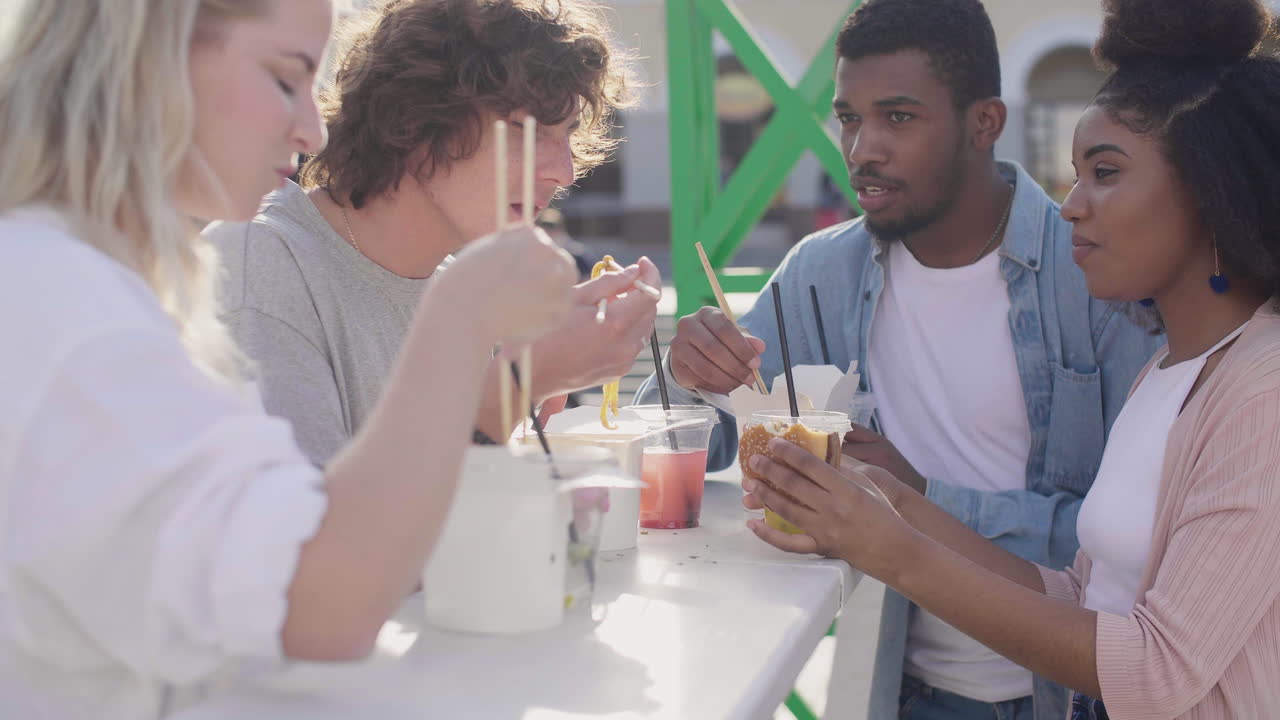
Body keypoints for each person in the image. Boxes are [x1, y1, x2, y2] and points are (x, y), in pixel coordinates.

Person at [0, 1, 576, 717]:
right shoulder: (63, 306)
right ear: (145, 61)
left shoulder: (93, 280)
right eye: (283, 78)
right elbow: (317, 604)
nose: (314, 128)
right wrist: (468, 327)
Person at [745, 0, 1280, 717]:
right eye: (1077, 174)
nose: (1072, 205)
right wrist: (890, 502)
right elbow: (1080, 595)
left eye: (1106, 172)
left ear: (1209, 193)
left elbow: (1157, 672)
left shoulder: (1262, 392)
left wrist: (893, 549)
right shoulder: (1167, 374)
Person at [637, 1, 1162, 717]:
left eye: (899, 117)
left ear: (984, 123)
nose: (862, 150)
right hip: (893, 687)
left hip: (1071, 695)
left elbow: (1137, 544)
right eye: (848, 118)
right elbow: (678, 446)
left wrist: (914, 499)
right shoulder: (823, 272)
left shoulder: (1096, 279)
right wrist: (689, 374)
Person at [205, 0, 655, 463]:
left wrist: (534, 384)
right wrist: (519, 384)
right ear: (413, 118)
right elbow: (315, 511)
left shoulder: (460, 292)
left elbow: (464, 497)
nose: (564, 172)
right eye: (527, 130)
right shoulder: (262, 262)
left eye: (568, 134)